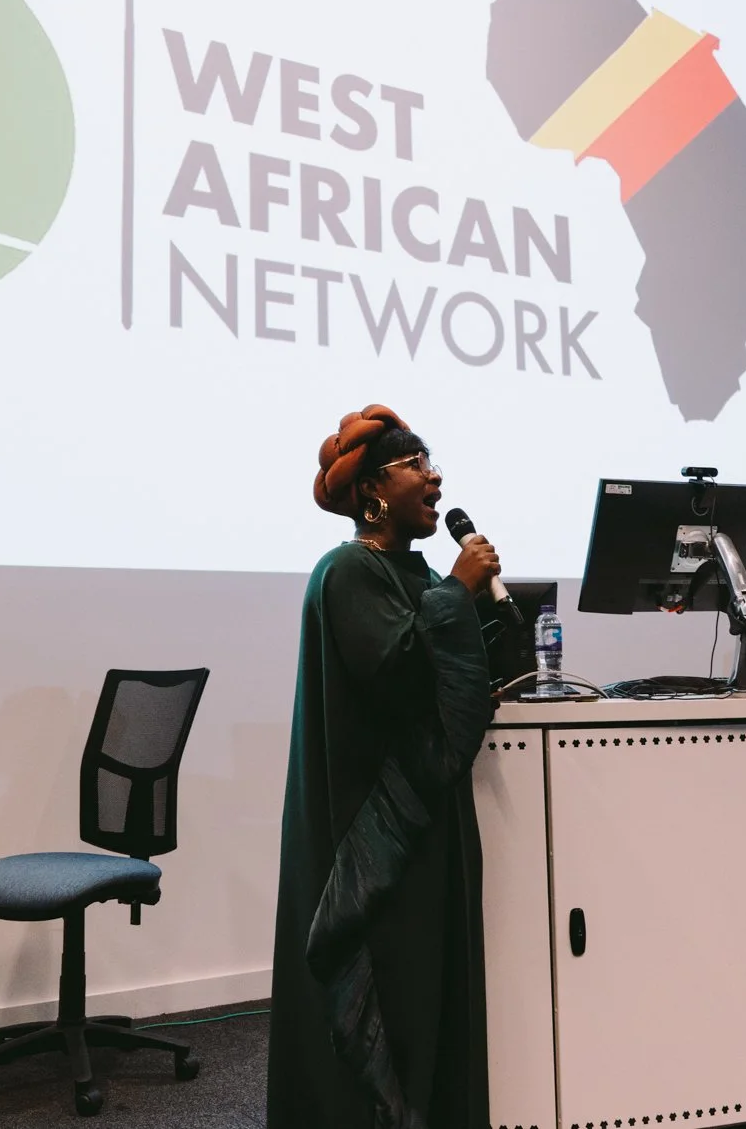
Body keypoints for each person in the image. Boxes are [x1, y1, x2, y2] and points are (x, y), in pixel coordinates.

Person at [268, 405, 501, 1129]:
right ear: (372, 488)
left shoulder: (418, 572)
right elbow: (396, 673)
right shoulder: (346, 570)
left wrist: (473, 606)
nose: (435, 478)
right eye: (417, 465)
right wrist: (458, 591)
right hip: (371, 829)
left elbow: (442, 671)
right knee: (389, 991)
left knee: (428, 988)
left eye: (433, 464)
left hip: (423, 817)